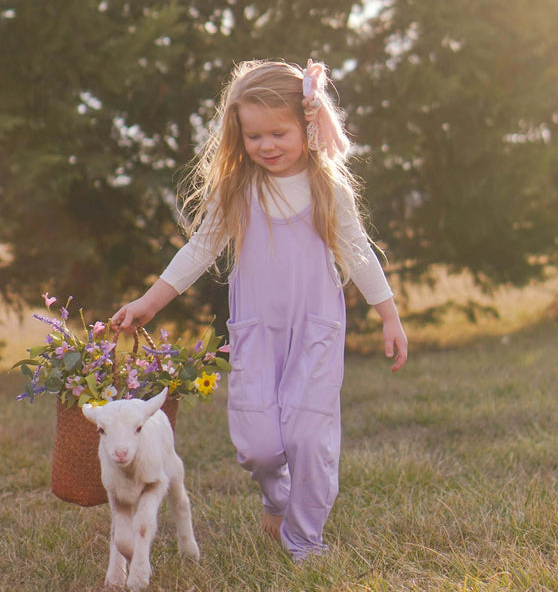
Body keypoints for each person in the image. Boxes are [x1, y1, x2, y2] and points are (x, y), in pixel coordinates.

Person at [110, 58, 408, 562]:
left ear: (306, 127)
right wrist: (149, 300)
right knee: (259, 445)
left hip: (315, 330)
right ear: (238, 135)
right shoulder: (238, 189)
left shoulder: (325, 186)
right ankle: (276, 497)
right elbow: (199, 250)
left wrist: (389, 315)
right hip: (257, 334)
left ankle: (305, 539)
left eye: (279, 133)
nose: (267, 146)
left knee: (309, 438)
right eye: (254, 136)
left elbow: (357, 251)